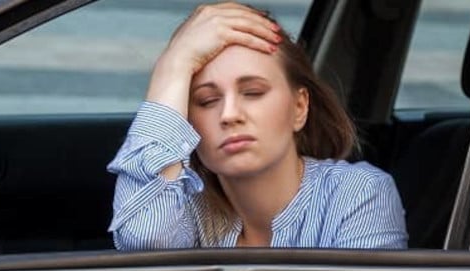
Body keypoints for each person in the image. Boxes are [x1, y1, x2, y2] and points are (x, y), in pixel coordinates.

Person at [107, 2, 407, 250]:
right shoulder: (185, 210)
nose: (229, 114)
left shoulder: (357, 193)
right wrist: (172, 66)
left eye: (253, 93)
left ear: (299, 107)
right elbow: (144, 240)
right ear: (186, 123)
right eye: (207, 100)